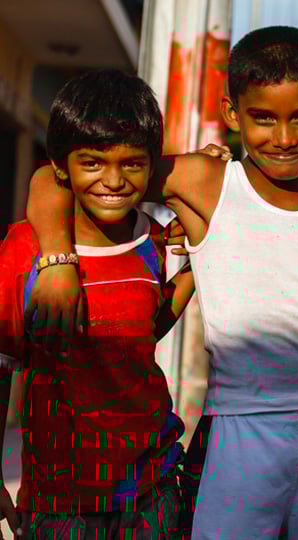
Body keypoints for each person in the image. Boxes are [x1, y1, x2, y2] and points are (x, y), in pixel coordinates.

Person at [22, 26, 298, 539]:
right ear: (233, 115)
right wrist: (57, 260)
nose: (283, 137)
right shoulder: (205, 183)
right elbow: (53, 176)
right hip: (240, 423)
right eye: (262, 118)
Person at [0, 69, 194, 539]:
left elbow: (147, 329)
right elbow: (3, 363)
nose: (113, 180)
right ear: (62, 166)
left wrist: (193, 275)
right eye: (92, 163)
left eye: (132, 164)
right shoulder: (24, 250)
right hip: (60, 501)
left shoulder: (158, 243)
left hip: (153, 488)